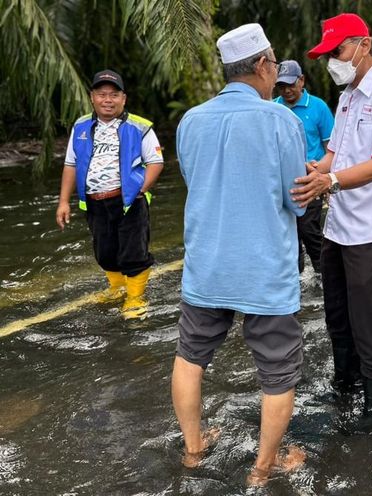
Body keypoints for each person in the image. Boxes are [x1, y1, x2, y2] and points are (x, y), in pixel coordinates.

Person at [173, 24, 307, 486]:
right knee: (278, 371)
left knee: (190, 356)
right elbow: (297, 199)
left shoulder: (190, 120)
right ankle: (263, 469)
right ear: (264, 65)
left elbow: (198, 183)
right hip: (263, 269)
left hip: (206, 266)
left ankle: (194, 450)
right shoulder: (281, 120)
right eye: (275, 63)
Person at [291, 13, 372, 431]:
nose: (332, 61)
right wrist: (317, 169)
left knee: (367, 323)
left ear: (365, 44)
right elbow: (337, 153)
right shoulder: (348, 96)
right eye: (327, 54)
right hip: (339, 225)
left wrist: (329, 181)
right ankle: (344, 386)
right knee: (337, 317)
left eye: (338, 50)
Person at [55, 70, 164, 320]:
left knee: (133, 252)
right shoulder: (81, 126)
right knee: (104, 252)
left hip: (129, 202)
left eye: (114, 95)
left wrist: (140, 190)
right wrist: (63, 201)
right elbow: (71, 164)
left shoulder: (140, 126)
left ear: (123, 98)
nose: (107, 100)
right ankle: (117, 289)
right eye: (102, 94)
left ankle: (135, 298)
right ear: (92, 97)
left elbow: (156, 162)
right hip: (95, 202)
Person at [274, 60, 334, 275]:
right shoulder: (273, 109)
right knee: (288, 234)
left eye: (291, 84)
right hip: (282, 183)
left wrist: (327, 177)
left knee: (309, 230)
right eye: (281, 86)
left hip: (310, 180)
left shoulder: (318, 107)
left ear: (302, 81)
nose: (287, 90)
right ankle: (295, 277)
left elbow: (332, 148)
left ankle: (323, 273)